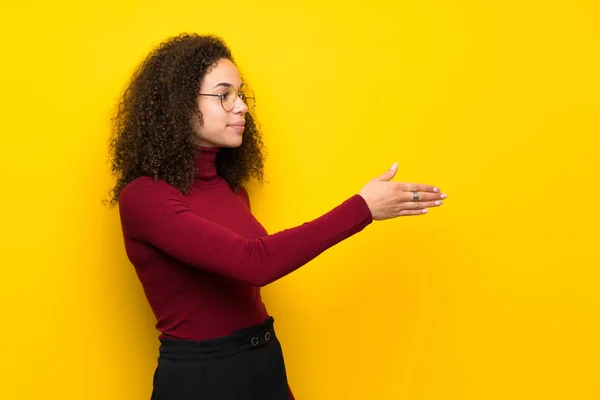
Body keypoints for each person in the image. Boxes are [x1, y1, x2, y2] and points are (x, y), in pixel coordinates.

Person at [106, 33, 447, 400]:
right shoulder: (145, 198)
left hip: (263, 359)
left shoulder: (232, 191)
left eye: (240, 95)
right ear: (179, 104)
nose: (241, 108)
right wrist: (363, 208)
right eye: (224, 95)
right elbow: (255, 262)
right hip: (203, 377)